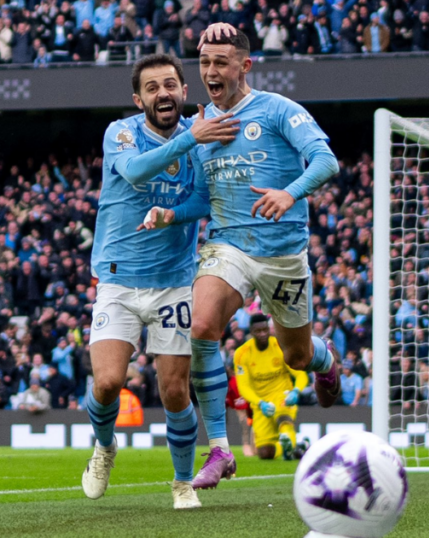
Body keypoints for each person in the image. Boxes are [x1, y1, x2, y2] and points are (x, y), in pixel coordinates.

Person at [141, 27, 341, 489]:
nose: (211, 71)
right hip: (227, 245)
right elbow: (203, 201)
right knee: (202, 326)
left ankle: (323, 359)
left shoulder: (277, 110)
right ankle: (221, 450)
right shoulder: (201, 125)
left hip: (282, 254)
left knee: (295, 355)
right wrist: (171, 212)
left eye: (221, 62)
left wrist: (289, 194)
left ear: (244, 66)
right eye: (204, 61)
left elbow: (325, 161)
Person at [82, 53, 238, 510]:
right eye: (152, 88)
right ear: (139, 98)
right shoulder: (122, 132)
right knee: (108, 382)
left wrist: (171, 212)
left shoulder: (203, 138)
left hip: (173, 282)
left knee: (174, 390)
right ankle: (104, 447)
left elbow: (204, 201)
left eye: (170, 85)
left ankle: (182, 482)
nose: (162, 93)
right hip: (118, 279)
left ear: (183, 91)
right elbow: (134, 172)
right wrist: (192, 137)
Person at [234, 314, 309, 460]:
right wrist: (260, 403)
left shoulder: (280, 346)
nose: (262, 334)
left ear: (269, 329)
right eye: (258, 331)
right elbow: (243, 386)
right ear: (251, 331)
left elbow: (301, 375)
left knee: (284, 418)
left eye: (265, 330)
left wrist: (295, 391)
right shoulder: (241, 354)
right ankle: (291, 448)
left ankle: (287, 438)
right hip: (261, 402)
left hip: (282, 395)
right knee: (265, 454)